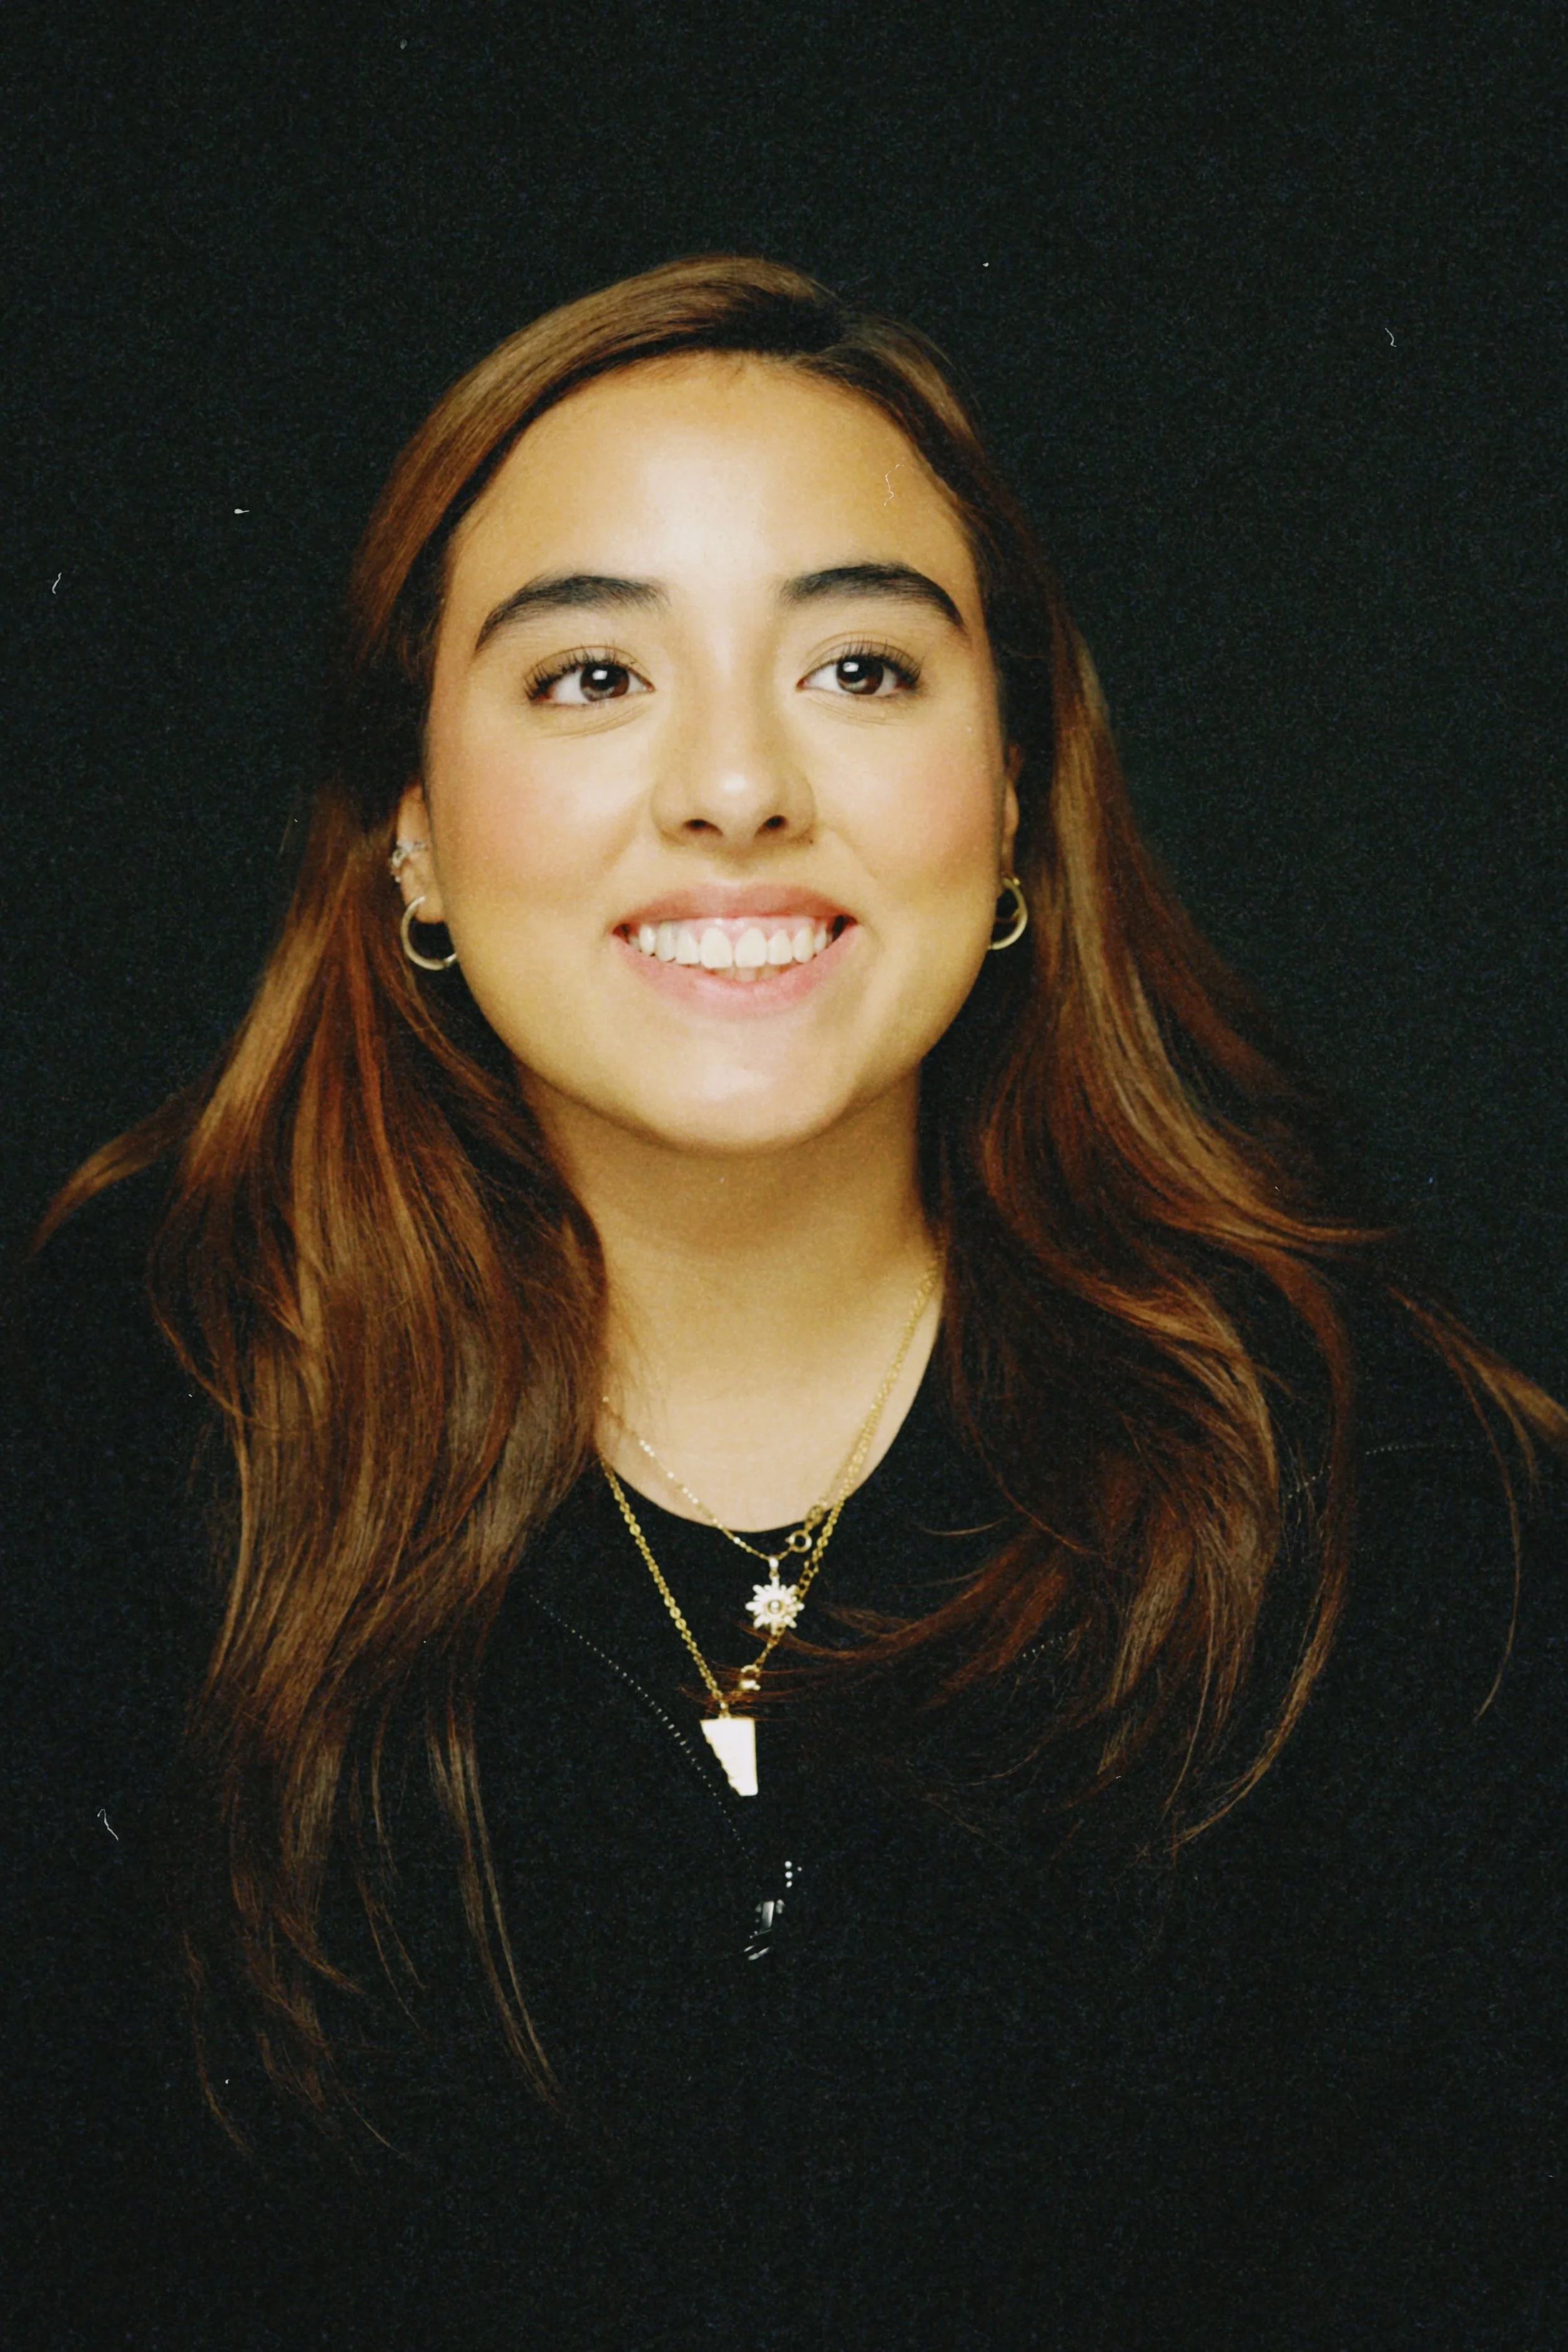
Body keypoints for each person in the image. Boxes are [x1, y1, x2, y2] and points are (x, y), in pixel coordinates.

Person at [6, 254, 1566, 2351]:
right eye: (588, 678)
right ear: (413, 844)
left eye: (858, 668)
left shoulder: (1387, 1512)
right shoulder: (108, 1449)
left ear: (1010, 799)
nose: (734, 787)